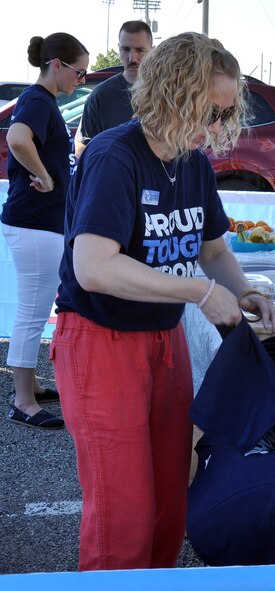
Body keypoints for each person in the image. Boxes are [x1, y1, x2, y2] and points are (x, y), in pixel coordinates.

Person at [50, 32, 275, 571]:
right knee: (122, 512)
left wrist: (243, 290)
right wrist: (199, 292)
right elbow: (94, 266)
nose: (220, 127)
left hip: (163, 338)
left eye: (226, 115)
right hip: (101, 341)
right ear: (173, 94)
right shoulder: (115, 155)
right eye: (212, 111)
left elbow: (214, 249)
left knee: (171, 497)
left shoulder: (193, 163)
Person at [1, 33, 89, 430]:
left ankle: (29, 387)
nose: (82, 80)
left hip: (38, 224)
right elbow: (17, 139)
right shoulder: (38, 100)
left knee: (32, 309)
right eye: (79, 72)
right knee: (31, 314)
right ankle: (22, 401)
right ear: (56, 64)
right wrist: (45, 176)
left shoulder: (43, 101)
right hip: (33, 223)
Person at [74, 20, 153, 158]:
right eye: (126, 49)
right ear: (119, 48)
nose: (132, 58)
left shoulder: (166, 93)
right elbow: (82, 145)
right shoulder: (101, 95)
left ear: (152, 50)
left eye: (140, 50)